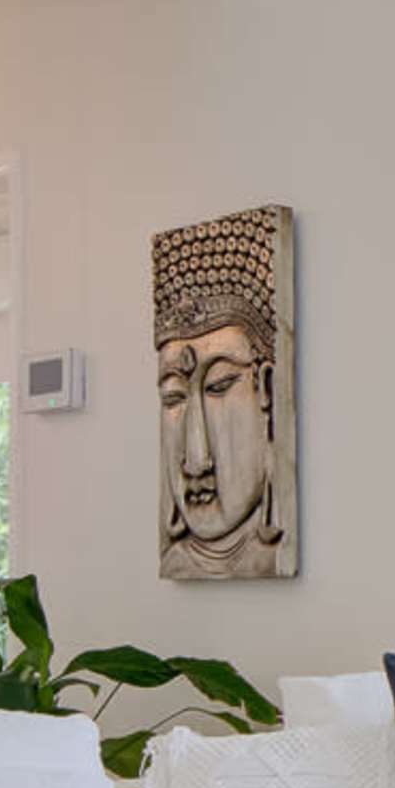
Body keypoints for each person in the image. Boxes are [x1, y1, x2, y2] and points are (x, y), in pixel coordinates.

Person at [154, 210, 295, 579]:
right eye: (173, 398)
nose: (196, 461)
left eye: (218, 386)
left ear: (266, 388)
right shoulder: (176, 564)